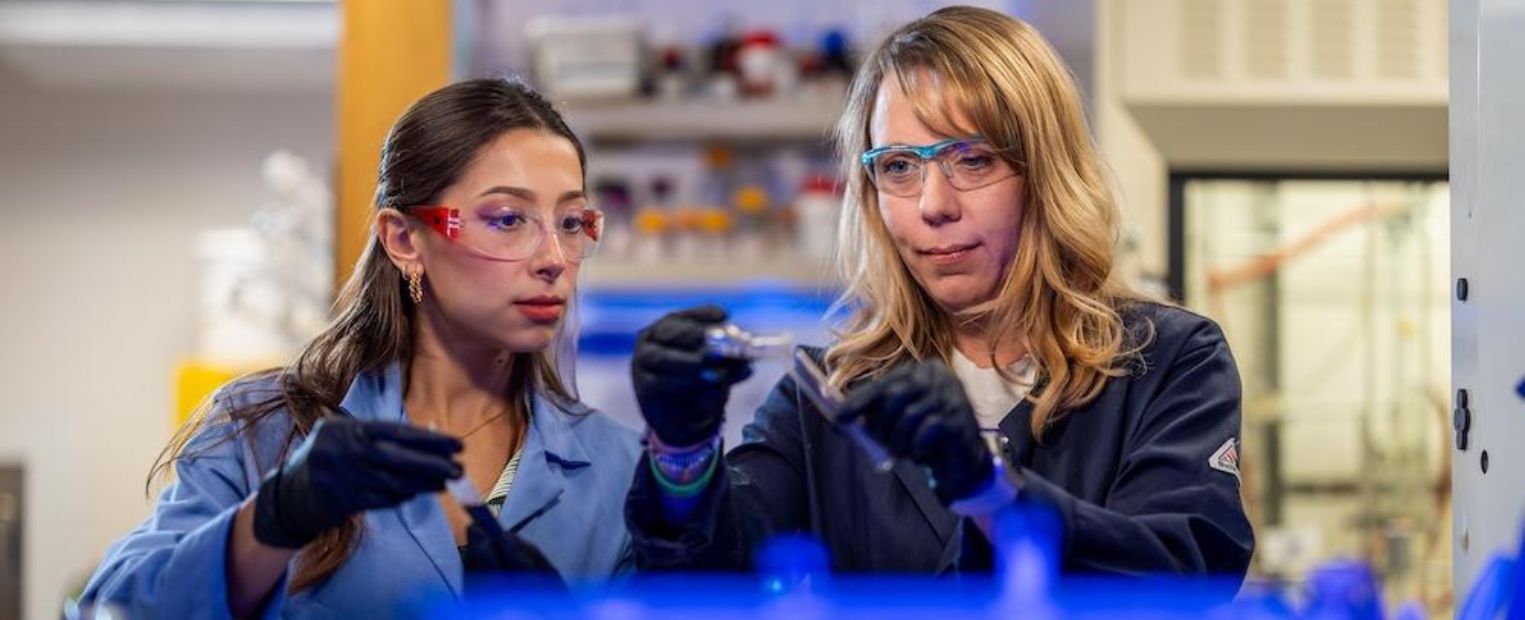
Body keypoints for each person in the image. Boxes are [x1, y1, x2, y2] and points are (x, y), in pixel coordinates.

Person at [625, 6, 1254, 585]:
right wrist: (683, 455)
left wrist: (989, 488)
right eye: (899, 166)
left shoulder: (1167, 361)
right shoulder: (830, 390)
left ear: (1045, 171)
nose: (932, 205)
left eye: (972, 160)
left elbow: (1185, 574)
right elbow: (716, 581)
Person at [79, 78, 641, 619]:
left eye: (571, 222)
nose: (553, 257)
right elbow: (113, 611)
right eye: (507, 219)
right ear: (403, 239)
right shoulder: (266, 429)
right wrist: (271, 520)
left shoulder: (620, 467)